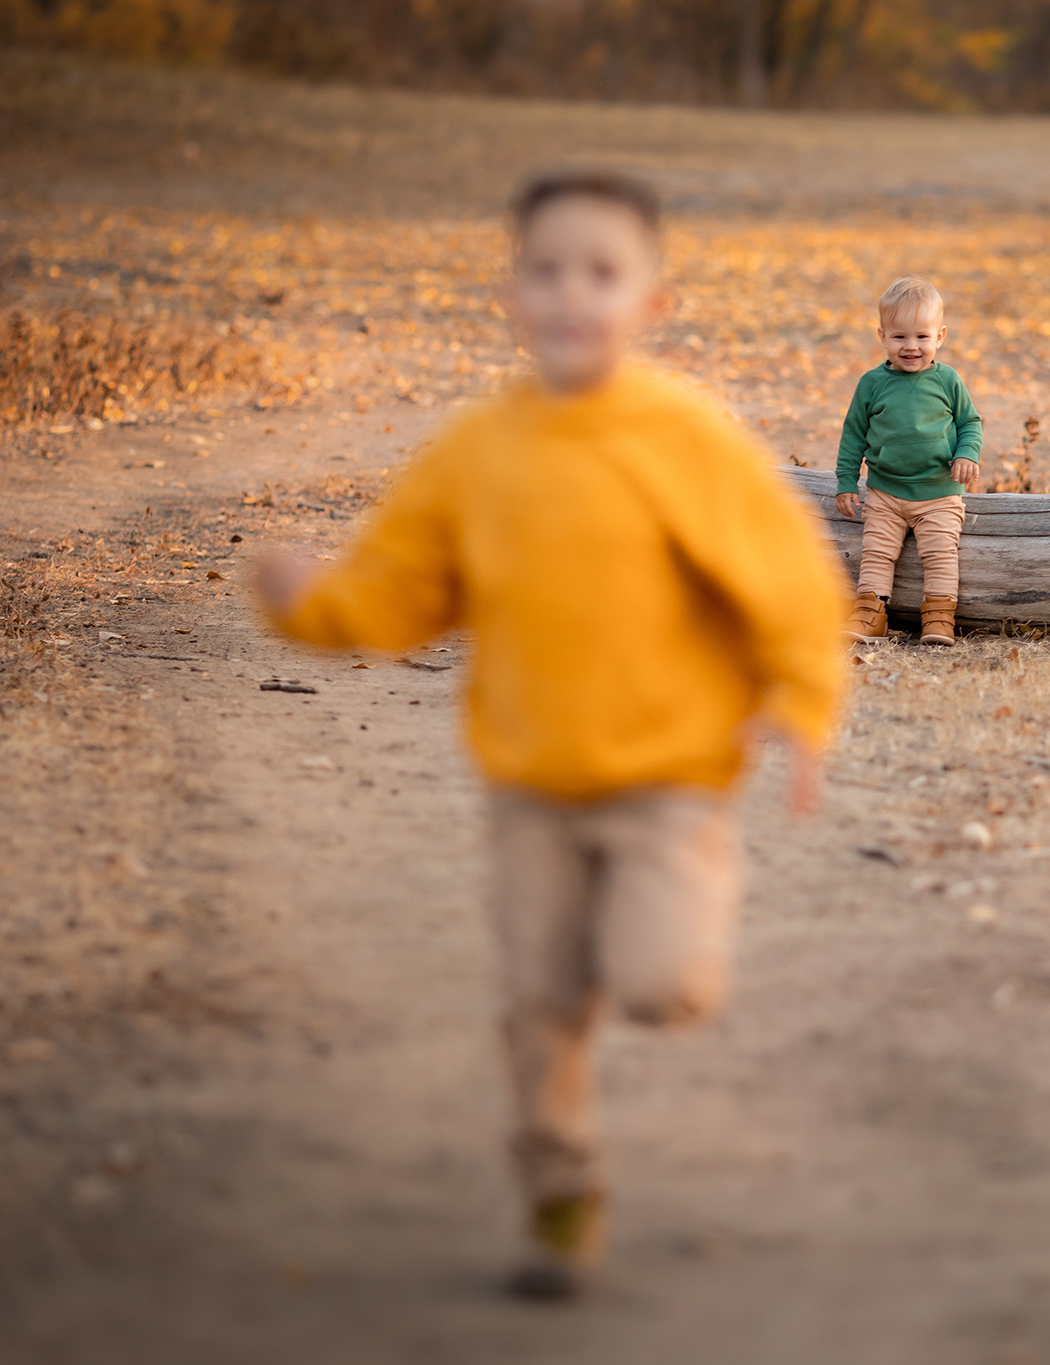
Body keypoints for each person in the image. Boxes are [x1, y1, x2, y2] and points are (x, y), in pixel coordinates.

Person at [253, 170, 845, 1300]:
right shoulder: (478, 453)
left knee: (660, 983)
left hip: (668, 780)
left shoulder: (685, 437)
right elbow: (400, 587)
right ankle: (559, 1189)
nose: (572, 295)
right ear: (512, 293)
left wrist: (801, 705)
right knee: (538, 1002)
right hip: (529, 785)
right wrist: (307, 603)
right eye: (546, 271)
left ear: (649, 303)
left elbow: (789, 584)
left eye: (602, 273)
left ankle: (665, 943)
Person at [833, 276, 983, 647]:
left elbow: (970, 423)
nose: (911, 347)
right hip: (885, 492)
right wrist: (846, 482)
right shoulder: (872, 384)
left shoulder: (948, 380)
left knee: (940, 554)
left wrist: (967, 454)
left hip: (938, 493)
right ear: (882, 336)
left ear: (940, 336)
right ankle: (870, 613)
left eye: (922, 336)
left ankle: (938, 616)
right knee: (877, 553)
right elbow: (853, 435)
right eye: (900, 337)